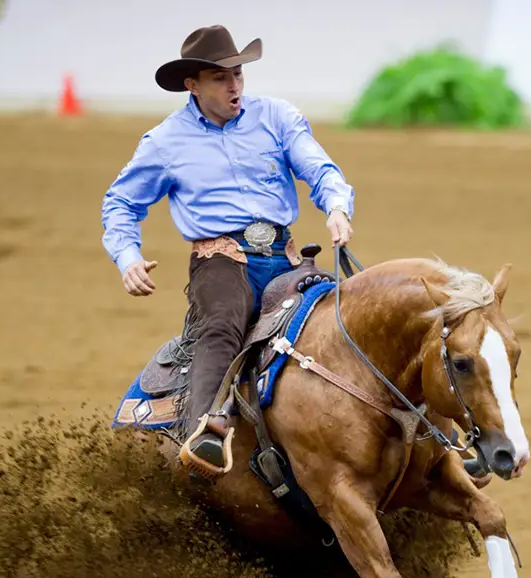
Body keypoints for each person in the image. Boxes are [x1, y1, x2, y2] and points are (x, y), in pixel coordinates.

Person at [101, 25, 355, 479]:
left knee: (344, 319)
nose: (234, 85)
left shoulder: (277, 116)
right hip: (219, 259)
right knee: (222, 325)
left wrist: (336, 206)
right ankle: (204, 433)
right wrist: (128, 257)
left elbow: (319, 168)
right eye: (220, 78)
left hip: (286, 257)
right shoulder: (165, 141)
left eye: (237, 74)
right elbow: (121, 202)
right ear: (192, 85)